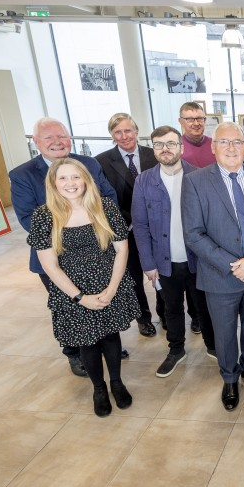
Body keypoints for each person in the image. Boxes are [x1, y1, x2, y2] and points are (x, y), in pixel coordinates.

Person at [182, 122, 244, 412]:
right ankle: (230, 377)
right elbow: (193, 233)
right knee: (225, 332)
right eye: (224, 142)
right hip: (220, 276)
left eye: (237, 142)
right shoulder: (196, 182)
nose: (231, 148)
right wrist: (233, 266)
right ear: (213, 147)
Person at [27, 158, 140, 417]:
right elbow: (50, 266)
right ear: (53, 183)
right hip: (72, 292)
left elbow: (122, 249)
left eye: (76, 177)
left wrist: (112, 289)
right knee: (87, 342)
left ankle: (116, 382)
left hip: (108, 283)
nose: (71, 183)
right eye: (63, 178)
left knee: (111, 336)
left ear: (86, 180)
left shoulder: (105, 207)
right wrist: (80, 298)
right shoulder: (44, 216)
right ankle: (99, 389)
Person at [10, 117, 118, 377]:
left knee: (101, 301)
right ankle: (74, 353)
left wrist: (94, 239)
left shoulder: (89, 163)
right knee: (70, 309)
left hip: (97, 256)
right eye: (49, 138)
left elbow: (107, 198)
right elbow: (27, 218)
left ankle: (104, 343)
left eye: (62, 136)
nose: (57, 142)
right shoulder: (22, 174)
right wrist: (71, 240)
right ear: (36, 142)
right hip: (56, 260)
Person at [132, 126, 216, 378]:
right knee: (172, 309)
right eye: (158, 144)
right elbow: (140, 225)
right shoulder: (144, 181)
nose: (165, 148)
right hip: (164, 262)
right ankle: (176, 350)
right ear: (153, 149)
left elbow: (211, 221)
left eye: (170, 143)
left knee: (203, 306)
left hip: (197, 259)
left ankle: (213, 346)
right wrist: (147, 263)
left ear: (181, 147)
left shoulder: (199, 176)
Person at [95, 112, 160, 338]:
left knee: (160, 272)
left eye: (128, 130)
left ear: (136, 131)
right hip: (125, 229)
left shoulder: (154, 155)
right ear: (112, 135)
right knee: (133, 276)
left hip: (157, 227)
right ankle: (143, 318)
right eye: (118, 132)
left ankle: (165, 312)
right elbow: (103, 198)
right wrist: (130, 220)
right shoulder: (101, 161)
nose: (124, 136)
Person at [178, 102, 215, 168]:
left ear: (205, 120)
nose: (196, 123)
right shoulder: (176, 148)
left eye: (200, 118)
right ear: (181, 122)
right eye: (190, 119)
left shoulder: (216, 144)